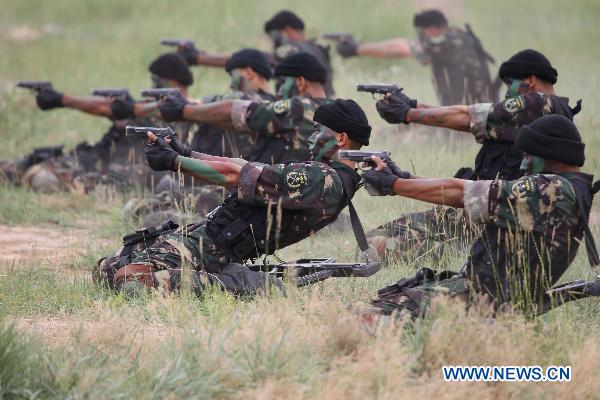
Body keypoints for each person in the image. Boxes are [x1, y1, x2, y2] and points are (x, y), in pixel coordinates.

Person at [93, 99, 371, 297]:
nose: (310, 138)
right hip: (206, 238)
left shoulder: (322, 180)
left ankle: (240, 283)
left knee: (129, 282)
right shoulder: (321, 174)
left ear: (341, 139)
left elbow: (234, 177)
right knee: (105, 269)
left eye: (317, 131)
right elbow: (242, 166)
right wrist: (187, 154)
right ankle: (233, 280)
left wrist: (175, 162)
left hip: (214, 251)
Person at [362, 114, 597, 318]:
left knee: (367, 317)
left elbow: (462, 192)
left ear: (551, 154)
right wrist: (404, 177)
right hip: (494, 296)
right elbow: (477, 190)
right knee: (390, 296)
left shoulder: (552, 189)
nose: (524, 164)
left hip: (482, 302)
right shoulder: (567, 190)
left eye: (529, 156)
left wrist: (394, 185)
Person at [364, 49, 582, 265]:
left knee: (380, 248)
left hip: (497, 224)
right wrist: (412, 106)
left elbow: (470, 116)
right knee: (370, 241)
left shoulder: (539, 103)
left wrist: (408, 114)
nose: (507, 94)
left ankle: (457, 256)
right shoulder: (527, 118)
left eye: (510, 84)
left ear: (531, 80)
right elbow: (469, 114)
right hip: (473, 212)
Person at [1, 53, 195, 192]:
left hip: (119, 174)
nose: (153, 86)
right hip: (98, 161)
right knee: (21, 165)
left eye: (157, 81)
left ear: (175, 83)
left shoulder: (179, 112)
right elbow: (114, 108)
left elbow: (107, 108)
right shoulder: (154, 107)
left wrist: (62, 99)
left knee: (42, 179)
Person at [126, 48, 278, 226]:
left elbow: (192, 105)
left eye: (233, 76)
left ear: (249, 73)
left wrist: (133, 108)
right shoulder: (273, 108)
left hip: (238, 184)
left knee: (143, 211)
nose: (231, 84)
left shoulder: (249, 103)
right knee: (158, 192)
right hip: (235, 179)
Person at [158, 52, 329, 165]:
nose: (279, 89)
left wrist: (184, 111)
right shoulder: (333, 110)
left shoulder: (298, 108)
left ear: (300, 82)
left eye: (283, 83)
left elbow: (245, 112)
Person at [335, 9, 497, 104]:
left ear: (432, 29)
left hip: (471, 116)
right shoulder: (458, 37)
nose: (421, 37)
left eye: (422, 32)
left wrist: (356, 49)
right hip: (474, 110)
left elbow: (400, 48)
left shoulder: (448, 43)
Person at [176, 10, 335, 97]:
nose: (274, 43)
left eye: (275, 37)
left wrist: (198, 58)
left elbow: (255, 61)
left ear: (287, 31)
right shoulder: (318, 49)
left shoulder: (294, 51)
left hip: (302, 116)